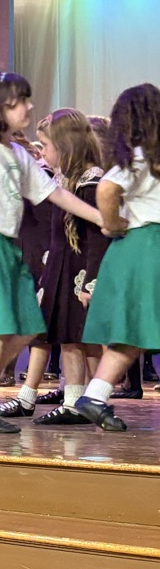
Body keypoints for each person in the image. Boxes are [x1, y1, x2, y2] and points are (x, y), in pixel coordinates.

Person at [0, 71, 103, 434]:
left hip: (8, 246)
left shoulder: (17, 153)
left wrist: (100, 217)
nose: (29, 107)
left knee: (30, 326)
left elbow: (54, 193)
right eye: (20, 102)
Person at [0, 109, 110, 424]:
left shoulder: (90, 182)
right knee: (67, 338)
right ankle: (73, 402)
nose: (42, 152)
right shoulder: (62, 180)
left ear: (66, 145)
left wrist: (92, 281)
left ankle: (92, 401)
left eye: (46, 145)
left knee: (84, 339)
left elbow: (97, 240)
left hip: (79, 271)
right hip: (60, 266)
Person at [75, 83, 160, 431]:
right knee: (136, 326)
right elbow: (108, 188)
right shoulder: (142, 157)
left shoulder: (142, 157)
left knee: (134, 330)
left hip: (137, 247)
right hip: (148, 244)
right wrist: (111, 222)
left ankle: (94, 396)